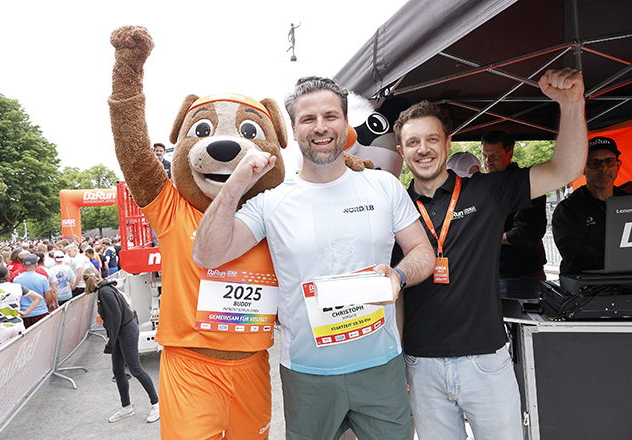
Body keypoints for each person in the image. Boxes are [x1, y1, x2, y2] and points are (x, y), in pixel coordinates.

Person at [193, 76, 435, 440]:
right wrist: (237, 183)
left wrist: (398, 277)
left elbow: (422, 252)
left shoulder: (382, 186)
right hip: (308, 376)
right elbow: (207, 254)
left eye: (330, 116)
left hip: (381, 368)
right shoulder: (272, 200)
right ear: (294, 129)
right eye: (308, 119)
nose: (320, 127)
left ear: (345, 122)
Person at [393, 67, 587, 439]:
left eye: (432, 139)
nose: (423, 149)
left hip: (485, 361)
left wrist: (572, 104)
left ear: (448, 143)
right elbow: (395, 291)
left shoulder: (487, 191)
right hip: (421, 365)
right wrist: (399, 359)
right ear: (402, 152)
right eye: (413, 142)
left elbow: (565, 168)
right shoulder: (395, 209)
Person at [83, 268, 159, 424]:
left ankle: (156, 404)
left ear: (86, 281)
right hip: (122, 331)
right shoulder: (104, 289)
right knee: (118, 370)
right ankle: (126, 407)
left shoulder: (104, 292)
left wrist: (112, 340)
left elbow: (115, 317)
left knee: (135, 369)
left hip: (124, 331)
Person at [552, 136, 628, 292]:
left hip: (626, 285)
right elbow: (572, 251)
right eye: (594, 163)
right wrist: (614, 265)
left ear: (618, 166)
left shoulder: (628, 201)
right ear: (582, 169)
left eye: (609, 161)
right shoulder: (567, 209)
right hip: (585, 291)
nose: (603, 168)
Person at [481, 130, 548, 299]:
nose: (488, 162)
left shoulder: (527, 184)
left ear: (509, 154)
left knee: (522, 316)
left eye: (495, 156)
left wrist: (489, 236)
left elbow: (526, 233)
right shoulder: (485, 184)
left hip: (521, 275)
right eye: (484, 156)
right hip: (492, 273)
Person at [0, 265, 43, 348]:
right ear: (8, 275)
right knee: (19, 351)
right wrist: (26, 313)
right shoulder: (18, 287)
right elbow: (38, 297)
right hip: (18, 325)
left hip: (0, 327)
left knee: (0, 353)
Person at [14, 253, 52, 328]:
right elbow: (48, 297)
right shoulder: (42, 278)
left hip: (24, 313)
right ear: (35, 264)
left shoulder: (16, 279)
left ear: (23, 264)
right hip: (40, 312)